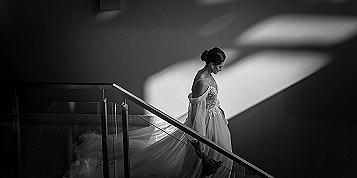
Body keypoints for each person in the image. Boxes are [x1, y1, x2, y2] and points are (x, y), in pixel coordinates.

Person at [63, 47, 233, 178]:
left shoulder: (207, 76)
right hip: (206, 123)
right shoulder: (202, 82)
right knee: (210, 154)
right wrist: (198, 140)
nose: (221, 69)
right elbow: (197, 113)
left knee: (220, 153)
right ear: (211, 64)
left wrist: (220, 113)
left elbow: (212, 101)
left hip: (214, 118)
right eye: (220, 66)